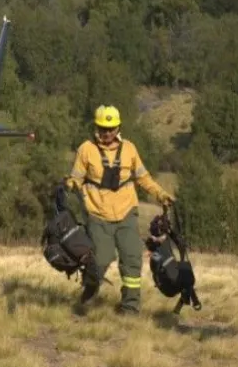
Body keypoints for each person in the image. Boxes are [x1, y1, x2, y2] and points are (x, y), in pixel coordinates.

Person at [65, 105, 176, 314]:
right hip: (97, 214)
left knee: (132, 258)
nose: (107, 133)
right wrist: (68, 187)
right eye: (103, 129)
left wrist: (161, 194)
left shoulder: (129, 149)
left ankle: (130, 307)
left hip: (126, 213)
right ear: (96, 127)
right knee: (100, 260)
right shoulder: (86, 149)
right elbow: (76, 179)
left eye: (111, 128)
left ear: (118, 128)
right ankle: (89, 293)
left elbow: (143, 178)